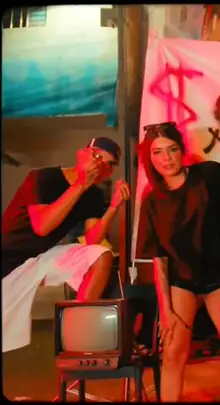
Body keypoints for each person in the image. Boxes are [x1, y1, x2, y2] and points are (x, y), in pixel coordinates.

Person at [135, 122, 220, 402]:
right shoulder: (152, 199)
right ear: (149, 158)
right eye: (157, 152)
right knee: (172, 352)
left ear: (182, 150)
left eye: (172, 149)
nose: (166, 159)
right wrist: (166, 309)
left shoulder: (209, 175)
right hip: (181, 282)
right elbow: (159, 258)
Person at [2, 137, 128, 353]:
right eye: (97, 157)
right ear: (83, 155)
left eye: (109, 164)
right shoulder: (44, 177)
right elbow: (42, 226)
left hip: (41, 256)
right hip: (8, 257)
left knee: (101, 255)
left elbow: (92, 240)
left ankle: (79, 335)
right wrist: (81, 184)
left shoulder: (93, 195)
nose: (101, 166)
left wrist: (114, 207)